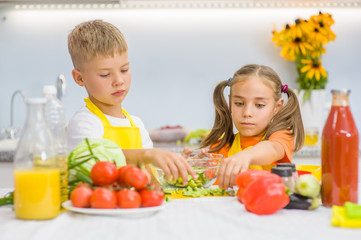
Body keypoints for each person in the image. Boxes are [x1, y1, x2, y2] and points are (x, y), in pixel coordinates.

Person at [66, 19, 197, 184]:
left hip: (134, 206)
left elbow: (150, 179)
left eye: (124, 70)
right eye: (105, 74)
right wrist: (147, 155)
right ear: (79, 78)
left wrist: (176, 166)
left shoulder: (136, 124)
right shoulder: (85, 122)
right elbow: (94, 163)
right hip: (103, 206)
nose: (119, 80)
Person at [200, 64, 304, 189]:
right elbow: (205, 184)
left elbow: (272, 149)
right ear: (230, 103)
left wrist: (247, 155)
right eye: (239, 103)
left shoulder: (281, 137)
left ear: (277, 107)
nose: (247, 113)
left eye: (259, 105)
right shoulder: (220, 146)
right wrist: (194, 167)